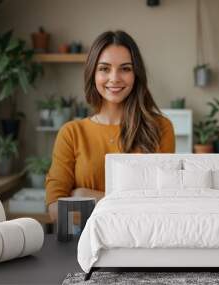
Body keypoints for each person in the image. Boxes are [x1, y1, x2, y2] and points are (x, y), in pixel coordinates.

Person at [45, 31, 175, 221]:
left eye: (125, 68)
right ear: (93, 73)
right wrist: (131, 204)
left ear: (136, 74)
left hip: (141, 245)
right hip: (83, 246)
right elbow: (56, 210)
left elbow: (161, 206)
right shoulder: (72, 133)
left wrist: (83, 197)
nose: (114, 78)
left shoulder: (161, 128)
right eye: (105, 68)